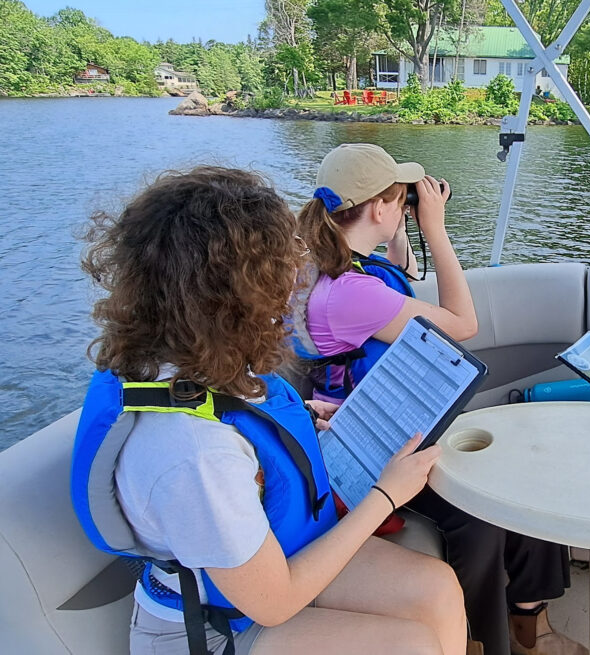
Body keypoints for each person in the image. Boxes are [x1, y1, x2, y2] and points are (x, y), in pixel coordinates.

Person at [74, 166, 466, 655]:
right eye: (281, 270)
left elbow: (243, 421)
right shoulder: (192, 452)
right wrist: (387, 496)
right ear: (238, 295)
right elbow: (272, 603)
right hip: (211, 625)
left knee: (437, 589)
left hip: (273, 555)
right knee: (411, 645)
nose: (293, 286)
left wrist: (305, 416)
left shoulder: (180, 353)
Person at [294, 143, 587, 655]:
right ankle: (483, 637)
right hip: (369, 443)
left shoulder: (332, 264)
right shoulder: (349, 292)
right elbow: (464, 325)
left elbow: (398, 276)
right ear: (381, 206)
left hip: (378, 419)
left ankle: (526, 619)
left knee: (518, 473)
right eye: (400, 198)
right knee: (480, 513)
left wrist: (400, 229)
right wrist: (437, 228)